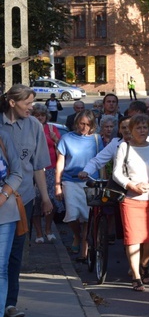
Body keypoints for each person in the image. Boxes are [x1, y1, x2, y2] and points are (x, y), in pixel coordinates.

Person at [0, 85, 53, 317]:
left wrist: (45, 197)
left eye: (33, 103)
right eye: (27, 103)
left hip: (23, 200)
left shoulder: (34, 126)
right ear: (12, 103)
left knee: (13, 254)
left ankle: (9, 303)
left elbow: (38, 166)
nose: (32, 108)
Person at [112, 114, 149, 291]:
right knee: (133, 238)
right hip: (131, 199)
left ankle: (144, 265)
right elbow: (116, 173)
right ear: (130, 131)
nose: (142, 131)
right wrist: (131, 185)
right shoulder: (124, 147)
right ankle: (136, 276)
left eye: (145, 127)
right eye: (138, 128)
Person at [55, 110, 104, 260]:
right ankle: (77, 235)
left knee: (88, 218)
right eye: (82, 123)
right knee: (72, 215)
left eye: (88, 124)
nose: (84, 127)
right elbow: (60, 163)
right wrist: (57, 185)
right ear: (76, 123)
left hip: (91, 182)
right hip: (70, 180)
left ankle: (84, 247)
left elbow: (101, 162)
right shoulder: (66, 138)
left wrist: (103, 182)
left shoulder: (96, 139)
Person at [0, 131, 23, 317]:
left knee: (0, 269)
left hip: (4, 213)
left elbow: (17, 172)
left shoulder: (3, 137)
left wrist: (4, 195)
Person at [31, 104, 62, 243]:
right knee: (35, 202)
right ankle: (38, 233)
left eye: (42, 115)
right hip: (33, 169)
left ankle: (48, 229)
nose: (39, 117)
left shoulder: (51, 128)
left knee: (51, 200)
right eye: (36, 115)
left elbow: (62, 147)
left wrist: (56, 140)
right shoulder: (29, 129)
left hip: (50, 168)